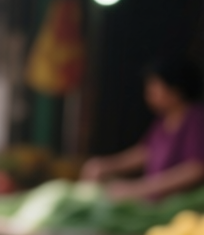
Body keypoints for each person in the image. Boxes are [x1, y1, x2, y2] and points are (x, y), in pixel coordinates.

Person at [81, 56, 204, 200]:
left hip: (183, 208)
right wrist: (106, 165)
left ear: (176, 89)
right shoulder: (163, 121)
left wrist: (139, 188)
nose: (148, 92)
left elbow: (196, 169)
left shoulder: (196, 119)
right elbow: (146, 152)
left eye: (155, 86)